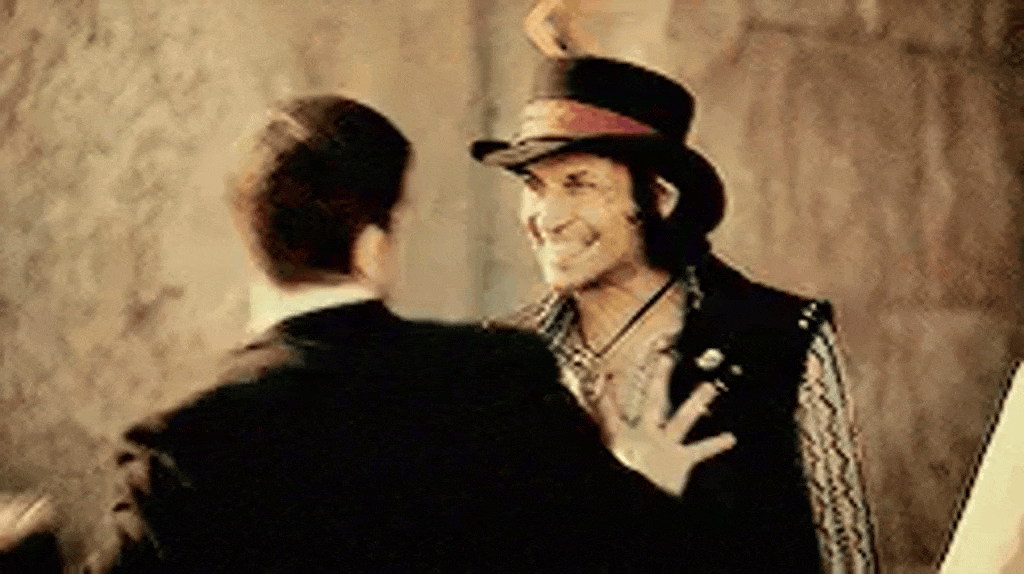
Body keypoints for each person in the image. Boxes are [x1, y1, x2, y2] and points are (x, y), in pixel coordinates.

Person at [0, 95, 737, 572]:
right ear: (374, 247)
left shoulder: (184, 451)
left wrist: (27, 548)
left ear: (252, 241)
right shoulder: (498, 377)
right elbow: (634, 550)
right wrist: (644, 483)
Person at [472, 56, 877, 572]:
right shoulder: (496, 363)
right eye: (534, 185)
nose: (546, 218)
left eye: (578, 184)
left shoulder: (780, 340)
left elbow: (848, 561)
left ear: (658, 199)